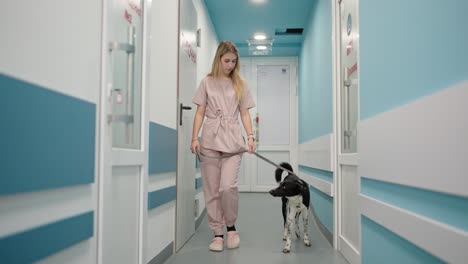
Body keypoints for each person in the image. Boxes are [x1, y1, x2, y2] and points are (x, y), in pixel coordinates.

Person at [191, 41, 256, 252]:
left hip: (233, 141)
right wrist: (194, 138)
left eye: (233, 61)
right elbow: (200, 112)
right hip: (210, 140)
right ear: (219, 59)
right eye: (226, 60)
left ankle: (231, 227)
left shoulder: (241, 83)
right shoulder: (207, 82)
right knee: (212, 190)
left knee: (227, 187)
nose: (230, 65)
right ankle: (217, 234)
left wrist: (251, 136)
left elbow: (245, 113)